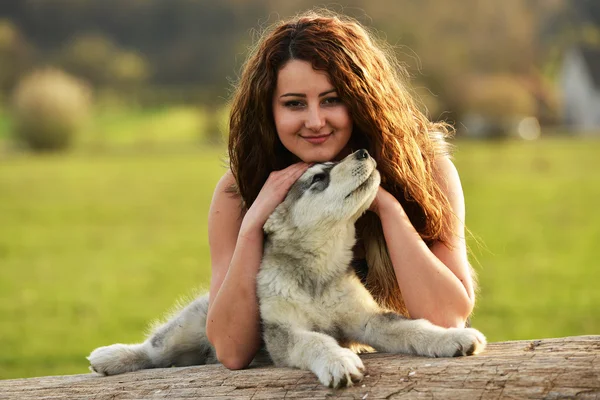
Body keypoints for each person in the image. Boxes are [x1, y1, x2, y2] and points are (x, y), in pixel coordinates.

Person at [205, 10, 476, 370]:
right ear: (268, 111)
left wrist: (386, 207)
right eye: (294, 103)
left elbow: (447, 322)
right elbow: (231, 350)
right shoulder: (238, 192)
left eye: (332, 99)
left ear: (361, 99)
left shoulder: (427, 171)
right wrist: (256, 220)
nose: (315, 121)